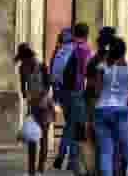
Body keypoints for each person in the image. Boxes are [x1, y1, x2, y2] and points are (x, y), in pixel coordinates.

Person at [90, 35, 128, 176]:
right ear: (124, 51)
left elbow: (96, 91)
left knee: (106, 153)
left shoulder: (102, 67)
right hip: (121, 111)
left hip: (101, 110)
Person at [54, 24, 93, 173]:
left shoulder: (64, 48)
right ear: (86, 34)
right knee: (78, 126)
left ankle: (69, 158)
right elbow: (86, 71)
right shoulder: (83, 48)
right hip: (77, 92)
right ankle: (67, 157)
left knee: (71, 124)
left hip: (63, 92)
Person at [17, 44, 54, 175]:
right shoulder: (22, 69)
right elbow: (22, 88)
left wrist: (42, 97)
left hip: (45, 106)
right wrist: (27, 95)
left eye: (25, 59)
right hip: (33, 106)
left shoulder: (42, 67)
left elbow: (49, 84)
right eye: (22, 60)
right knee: (32, 138)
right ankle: (31, 170)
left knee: (43, 137)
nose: (24, 62)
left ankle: (41, 169)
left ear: (30, 56)